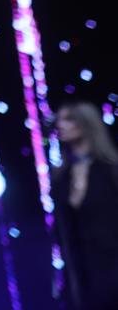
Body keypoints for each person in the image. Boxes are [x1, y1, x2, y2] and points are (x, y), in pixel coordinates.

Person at [52, 100, 118, 309]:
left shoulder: (110, 170)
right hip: (82, 277)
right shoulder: (62, 178)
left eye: (68, 119)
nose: (60, 125)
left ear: (85, 123)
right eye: (59, 120)